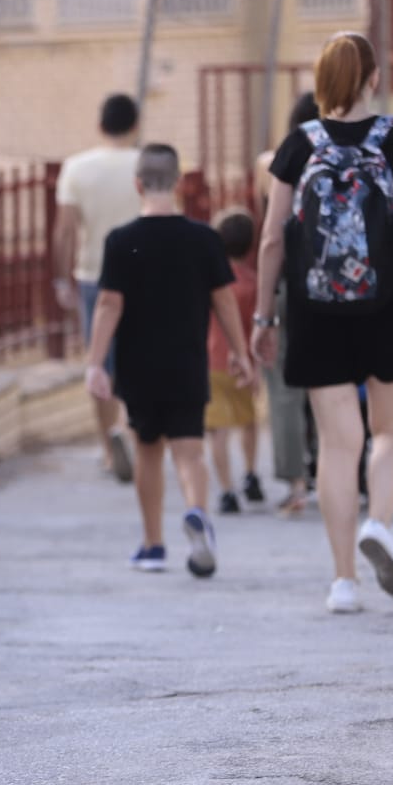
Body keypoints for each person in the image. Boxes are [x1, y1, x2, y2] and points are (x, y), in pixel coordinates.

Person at [252, 32, 393, 614]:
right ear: (371, 79)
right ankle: (380, 523)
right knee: (392, 433)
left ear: (322, 80)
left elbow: (270, 239)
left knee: (340, 446)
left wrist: (265, 316)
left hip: (315, 311)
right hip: (389, 307)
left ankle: (343, 583)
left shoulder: (298, 144)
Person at [84, 144, 255, 578]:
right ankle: (197, 513)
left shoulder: (122, 242)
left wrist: (95, 363)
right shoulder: (203, 239)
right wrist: (240, 352)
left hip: (139, 366)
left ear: (138, 184)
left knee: (147, 451)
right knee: (190, 451)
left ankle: (153, 543)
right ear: (178, 184)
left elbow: (108, 304)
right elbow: (224, 301)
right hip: (187, 362)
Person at [54, 93, 143, 483]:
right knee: (140, 358)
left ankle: (109, 449)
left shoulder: (76, 167)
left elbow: (65, 229)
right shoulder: (147, 163)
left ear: (100, 124)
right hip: (144, 275)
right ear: (135, 124)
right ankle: (137, 436)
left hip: (94, 274)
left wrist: (61, 278)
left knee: (99, 362)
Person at [256, 93, 320, 516]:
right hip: (337, 285)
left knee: (284, 389)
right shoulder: (352, 155)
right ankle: (339, 473)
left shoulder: (275, 162)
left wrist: (263, 314)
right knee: (331, 383)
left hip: (288, 285)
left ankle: (296, 483)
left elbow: (272, 236)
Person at [205, 210, 263, 514]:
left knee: (217, 429)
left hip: (212, 360)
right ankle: (250, 473)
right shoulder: (253, 283)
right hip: (244, 362)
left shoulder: (209, 280)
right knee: (248, 420)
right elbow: (255, 326)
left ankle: (226, 490)